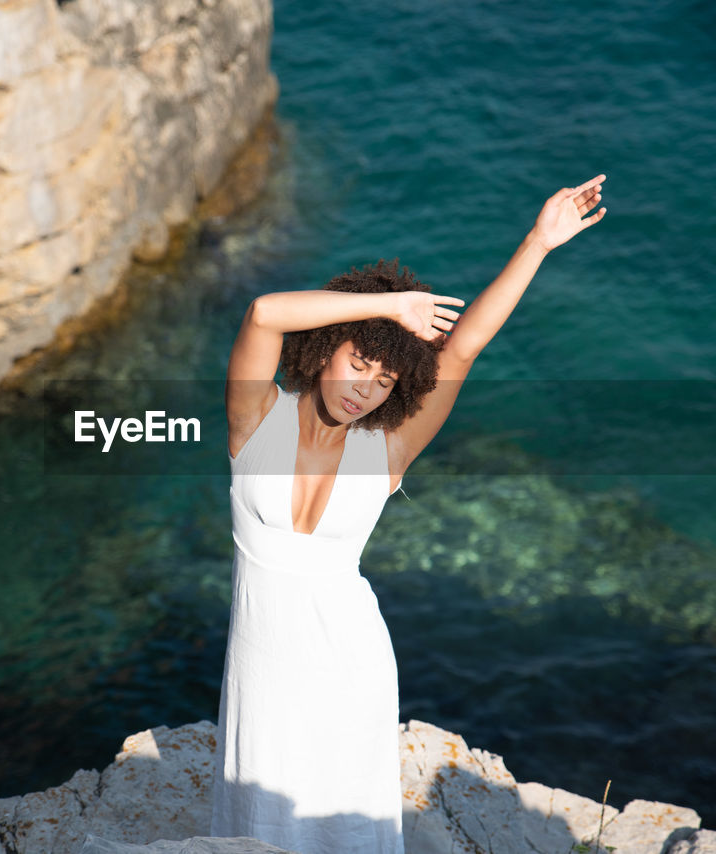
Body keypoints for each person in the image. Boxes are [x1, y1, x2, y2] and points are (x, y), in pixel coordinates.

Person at [208, 176, 608, 853]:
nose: (365, 388)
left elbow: (460, 351)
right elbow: (262, 314)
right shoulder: (255, 419)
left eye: (384, 379)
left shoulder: (386, 451)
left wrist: (538, 243)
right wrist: (392, 307)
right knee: (258, 827)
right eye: (358, 361)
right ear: (326, 346)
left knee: (346, 832)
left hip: (351, 663)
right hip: (262, 667)